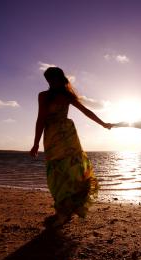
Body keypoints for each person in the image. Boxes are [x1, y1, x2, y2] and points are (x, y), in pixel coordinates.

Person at [30, 67, 112, 227]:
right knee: (56, 171)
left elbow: (86, 111)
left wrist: (103, 124)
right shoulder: (43, 96)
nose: (51, 82)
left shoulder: (67, 95)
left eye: (53, 79)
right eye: (48, 79)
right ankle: (62, 210)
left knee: (73, 170)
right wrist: (35, 143)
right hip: (52, 136)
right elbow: (40, 119)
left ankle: (65, 211)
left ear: (61, 79)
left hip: (68, 136)